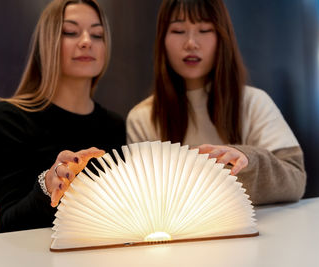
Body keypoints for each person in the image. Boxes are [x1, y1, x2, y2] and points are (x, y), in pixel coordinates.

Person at [126, 0, 306, 205]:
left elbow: (295, 178)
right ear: (162, 39)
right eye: (178, 31)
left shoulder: (254, 102)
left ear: (223, 37)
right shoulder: (142, 117)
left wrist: (245, 159)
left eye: (204, 29)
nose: (191, 43)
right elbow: (143, 197)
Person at [0, 0, 125, 233]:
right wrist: (48, 188)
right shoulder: (8, 119)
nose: (87, 41)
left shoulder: (115, 125)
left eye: (97, 35)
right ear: (47, 43)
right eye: (70, 32)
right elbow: (9, 225)